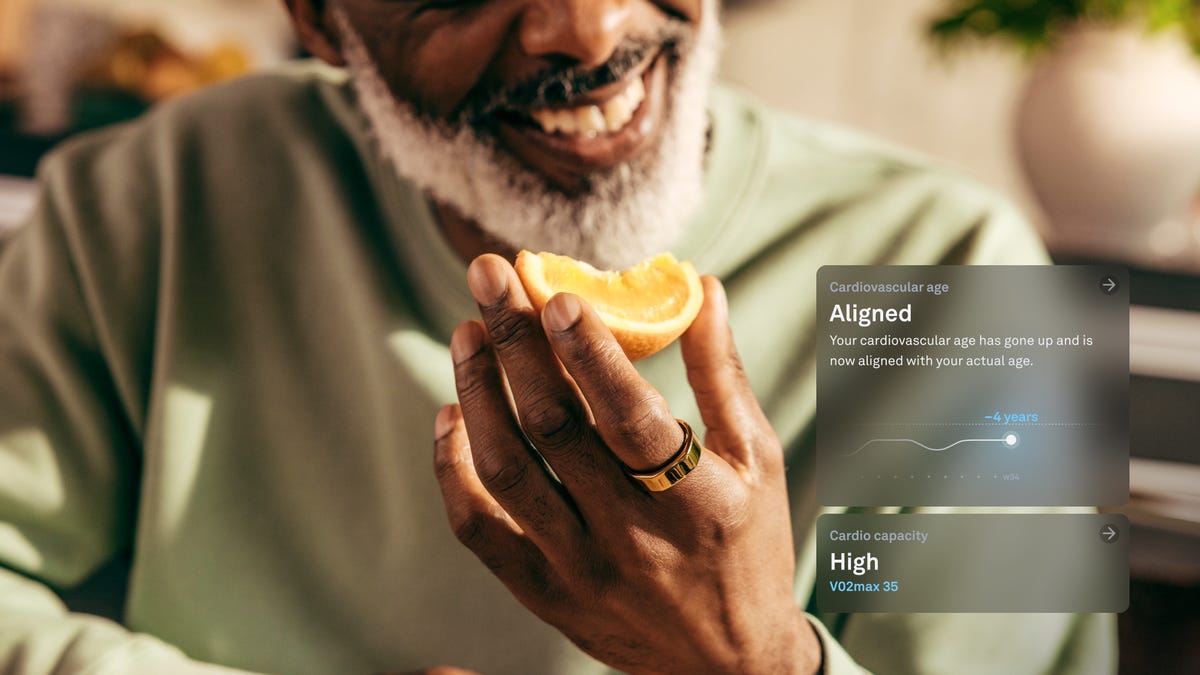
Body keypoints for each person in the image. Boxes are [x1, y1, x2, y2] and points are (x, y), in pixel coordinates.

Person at [0, 0, 1115, 673]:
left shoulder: (961, 273)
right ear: (318, 20)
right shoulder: (157, 200)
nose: (589, 25)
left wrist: (756, 660)